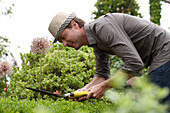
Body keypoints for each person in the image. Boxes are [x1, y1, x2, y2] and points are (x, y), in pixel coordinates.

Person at [48, 12, 170, 105]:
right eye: (61, 42)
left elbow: (134, 64)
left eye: (64, 37)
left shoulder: (102, 28)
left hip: (164, 50)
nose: (64, 44)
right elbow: (101, 75)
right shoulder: (96, 42)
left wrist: (103, 87)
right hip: (158, 57)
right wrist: (85, 90)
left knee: (158, 105)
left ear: (74, 25)